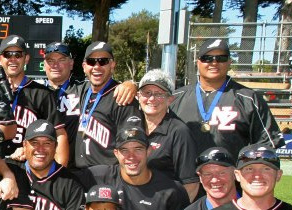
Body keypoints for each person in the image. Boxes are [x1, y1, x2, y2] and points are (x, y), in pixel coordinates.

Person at [170, 38, 284, 159]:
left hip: (231, 170)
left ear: (229, 62)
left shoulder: (249, 99)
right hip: (184, 171)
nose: (214, 63)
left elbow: (266, 145)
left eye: (221, 58)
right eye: (207, 58)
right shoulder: (175, 98)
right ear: (198, 62)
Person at [41, 42, 137, 156]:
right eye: (50, 61)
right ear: (44, 64)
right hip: (42, 158)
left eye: (61, 60)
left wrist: (130, 85)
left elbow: (105, 84)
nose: (55, 65)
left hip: (76, 162)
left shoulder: (83, 88)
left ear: (71, 63)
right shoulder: (35, 93)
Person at [0, 35, 68, 164]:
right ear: (0, 59)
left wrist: (59, 173)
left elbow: (59, 135)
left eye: (18, 55)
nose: (13, 59)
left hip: (27, 168)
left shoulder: (42, 93)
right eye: (7, 55)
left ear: (26, 58)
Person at [71, 41, 142, 169]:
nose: (97, 67)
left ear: (112, 65)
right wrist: (131, 83)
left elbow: (131, 144)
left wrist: (130, 85)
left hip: (108, 175)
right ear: (84, 66)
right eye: (91, 62)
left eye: (103, 61)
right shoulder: (81, 91)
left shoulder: (122, 97)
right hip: (79, 173)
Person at [136, 69, 199, 199]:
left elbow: (191, 185)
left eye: (159, 94)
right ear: (138, 96)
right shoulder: (131, 124)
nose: (152, 99)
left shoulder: (179, 132)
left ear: (170, 99)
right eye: (147, 93)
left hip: (164, 207)